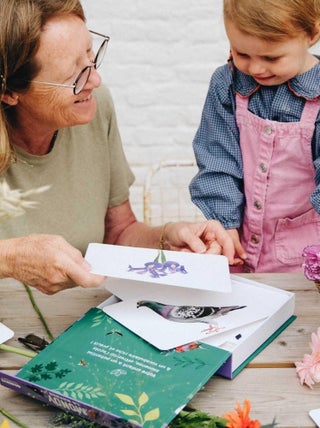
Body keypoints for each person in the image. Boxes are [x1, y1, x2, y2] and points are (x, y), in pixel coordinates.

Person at [0, 0, 239, 295]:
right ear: (10, 92)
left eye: (91, 56)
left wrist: (169, 237)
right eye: (72, 76)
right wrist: (9, 258)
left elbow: (118, 233)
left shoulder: (95, 106)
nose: (95, 80)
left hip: (77, 321)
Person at [190, 0, 320, 273]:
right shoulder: (226, 84)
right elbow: (217, 160)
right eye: (241, 53)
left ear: (312, 34)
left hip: (308, 264)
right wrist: (225, 226)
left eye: (271, 58)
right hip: (239, 251)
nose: (256, 69)